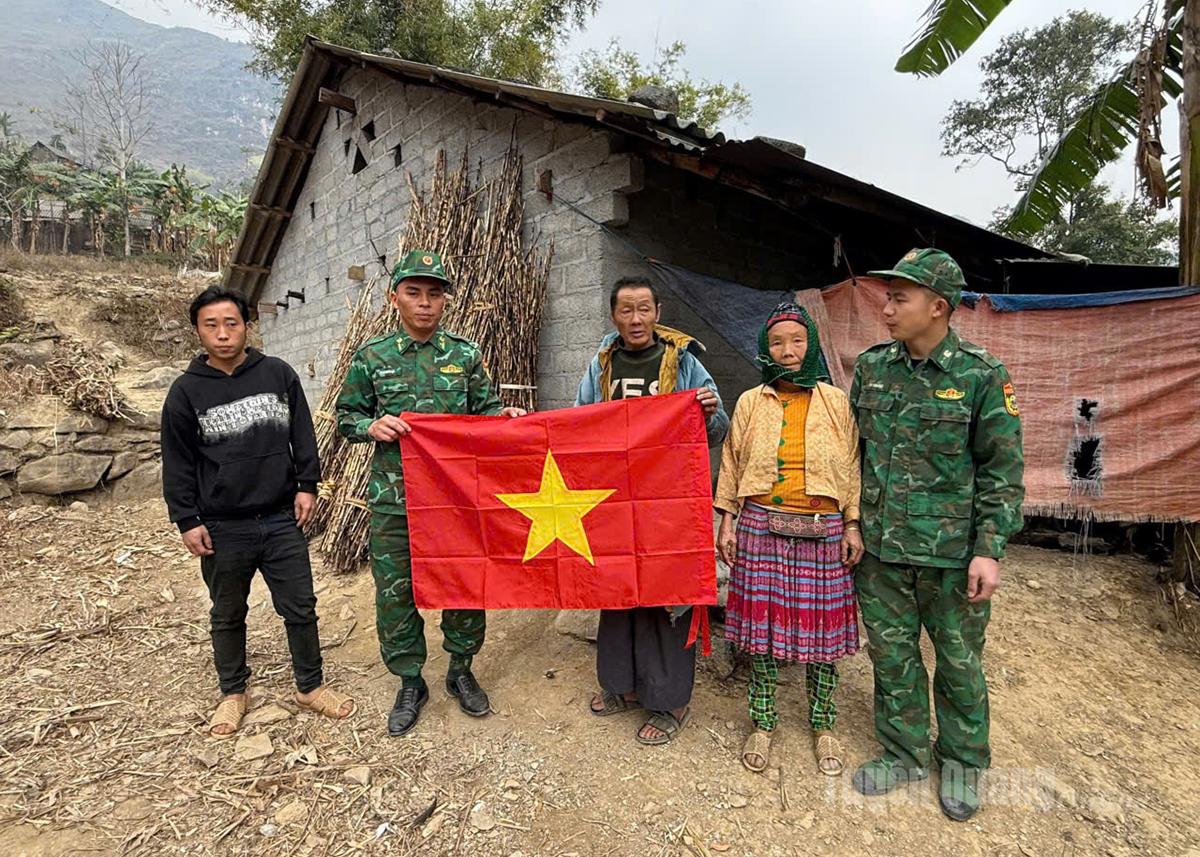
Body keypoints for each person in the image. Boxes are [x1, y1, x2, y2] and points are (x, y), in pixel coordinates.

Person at [850, 248, 1024, 821]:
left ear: (939, 307)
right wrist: (852, 523)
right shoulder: (873, 368)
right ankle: (902, 753)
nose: (888, 308)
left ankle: (962, 763)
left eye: (900, 298)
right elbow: (853, 454)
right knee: (892, 657)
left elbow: (1003, 472)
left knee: (958, 662)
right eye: (888, 296)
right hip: (880, 550)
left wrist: (988, 551)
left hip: (951, 555)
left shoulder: (981, 375)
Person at [336, 250, 525, 737]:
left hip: (455, 498)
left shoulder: (463, 355)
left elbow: (485, 411)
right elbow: (346, 417)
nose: (425, 303)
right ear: (394, 296)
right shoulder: (372, 357)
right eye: (414, 292)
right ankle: (409, 680)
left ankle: (461, 669)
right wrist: (369, 424)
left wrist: (502, 417)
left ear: (445, 301)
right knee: (395, 591)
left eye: (435, 294)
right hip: (394, 498)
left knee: (464, 582)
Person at [162, 285, 354, 739]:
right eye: (211, 325)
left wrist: (307, 485)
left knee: (301, 606)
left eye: (232, 323)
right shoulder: (186, 392)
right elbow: (177, 460)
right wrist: (187, 519)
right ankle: (233, 693)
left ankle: (309, 686)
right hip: (222, 526)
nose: (223, 334)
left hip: (280, 517)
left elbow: (303, 435)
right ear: (198, 331)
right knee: (227, 611)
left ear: (248, 326)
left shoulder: (277, 374)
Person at [576, 275, 729, 745]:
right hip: (615, 500)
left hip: (669, 500)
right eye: (626, 310)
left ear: (658, 312)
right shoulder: (602, 362)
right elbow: (579, 420)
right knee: (619, 586)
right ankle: (621, 685)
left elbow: (717, 430)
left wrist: (707, 410)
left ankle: (670, 699)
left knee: (668, 588)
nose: (636, 319)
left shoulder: (683, 361)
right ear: (614, 315)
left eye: (644, 308)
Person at [714, 300, 864, 776]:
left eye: (797, 340)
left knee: (823, 638)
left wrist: (854, 523)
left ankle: (823, 725)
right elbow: (733, 462)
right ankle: (763, 721)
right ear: (765, 349)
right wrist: (727, 519)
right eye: (777, 342)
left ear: (812, 344)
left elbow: (853, 466)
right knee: (760, 637)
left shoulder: (835, 401)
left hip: (824, 531)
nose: (788, 350)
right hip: (760, 525)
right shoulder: (750, 402)